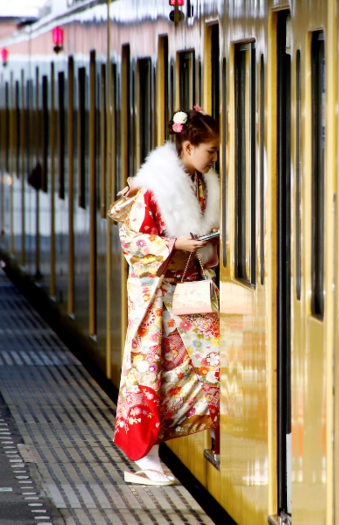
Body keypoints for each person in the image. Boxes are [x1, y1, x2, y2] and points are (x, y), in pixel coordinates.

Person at [109, 107, 221, 486]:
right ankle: (146, 457)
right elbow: (132, 241)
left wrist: (206, 246)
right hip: (157, 295)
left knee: (214, 363)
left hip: (189, 289)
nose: (214, 158)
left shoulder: (202, 182)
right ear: (188, 147)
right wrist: (174, 244)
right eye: (210, 151)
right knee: (151, 370)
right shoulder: (155, 187)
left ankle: (217, 437)